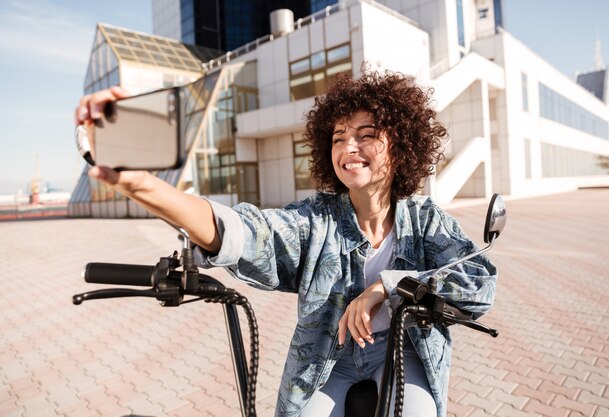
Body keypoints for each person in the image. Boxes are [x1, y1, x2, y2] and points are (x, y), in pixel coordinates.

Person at [75, 69, 497, 417]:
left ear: (400, 145)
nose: (349, 146)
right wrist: (141, 184)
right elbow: (244, 231)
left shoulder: (426, 220)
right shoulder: (314, 220)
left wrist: (389, 285)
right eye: (337, 137)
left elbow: (479, 282)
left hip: (403, 351)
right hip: (326, 358)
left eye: (366, 135)